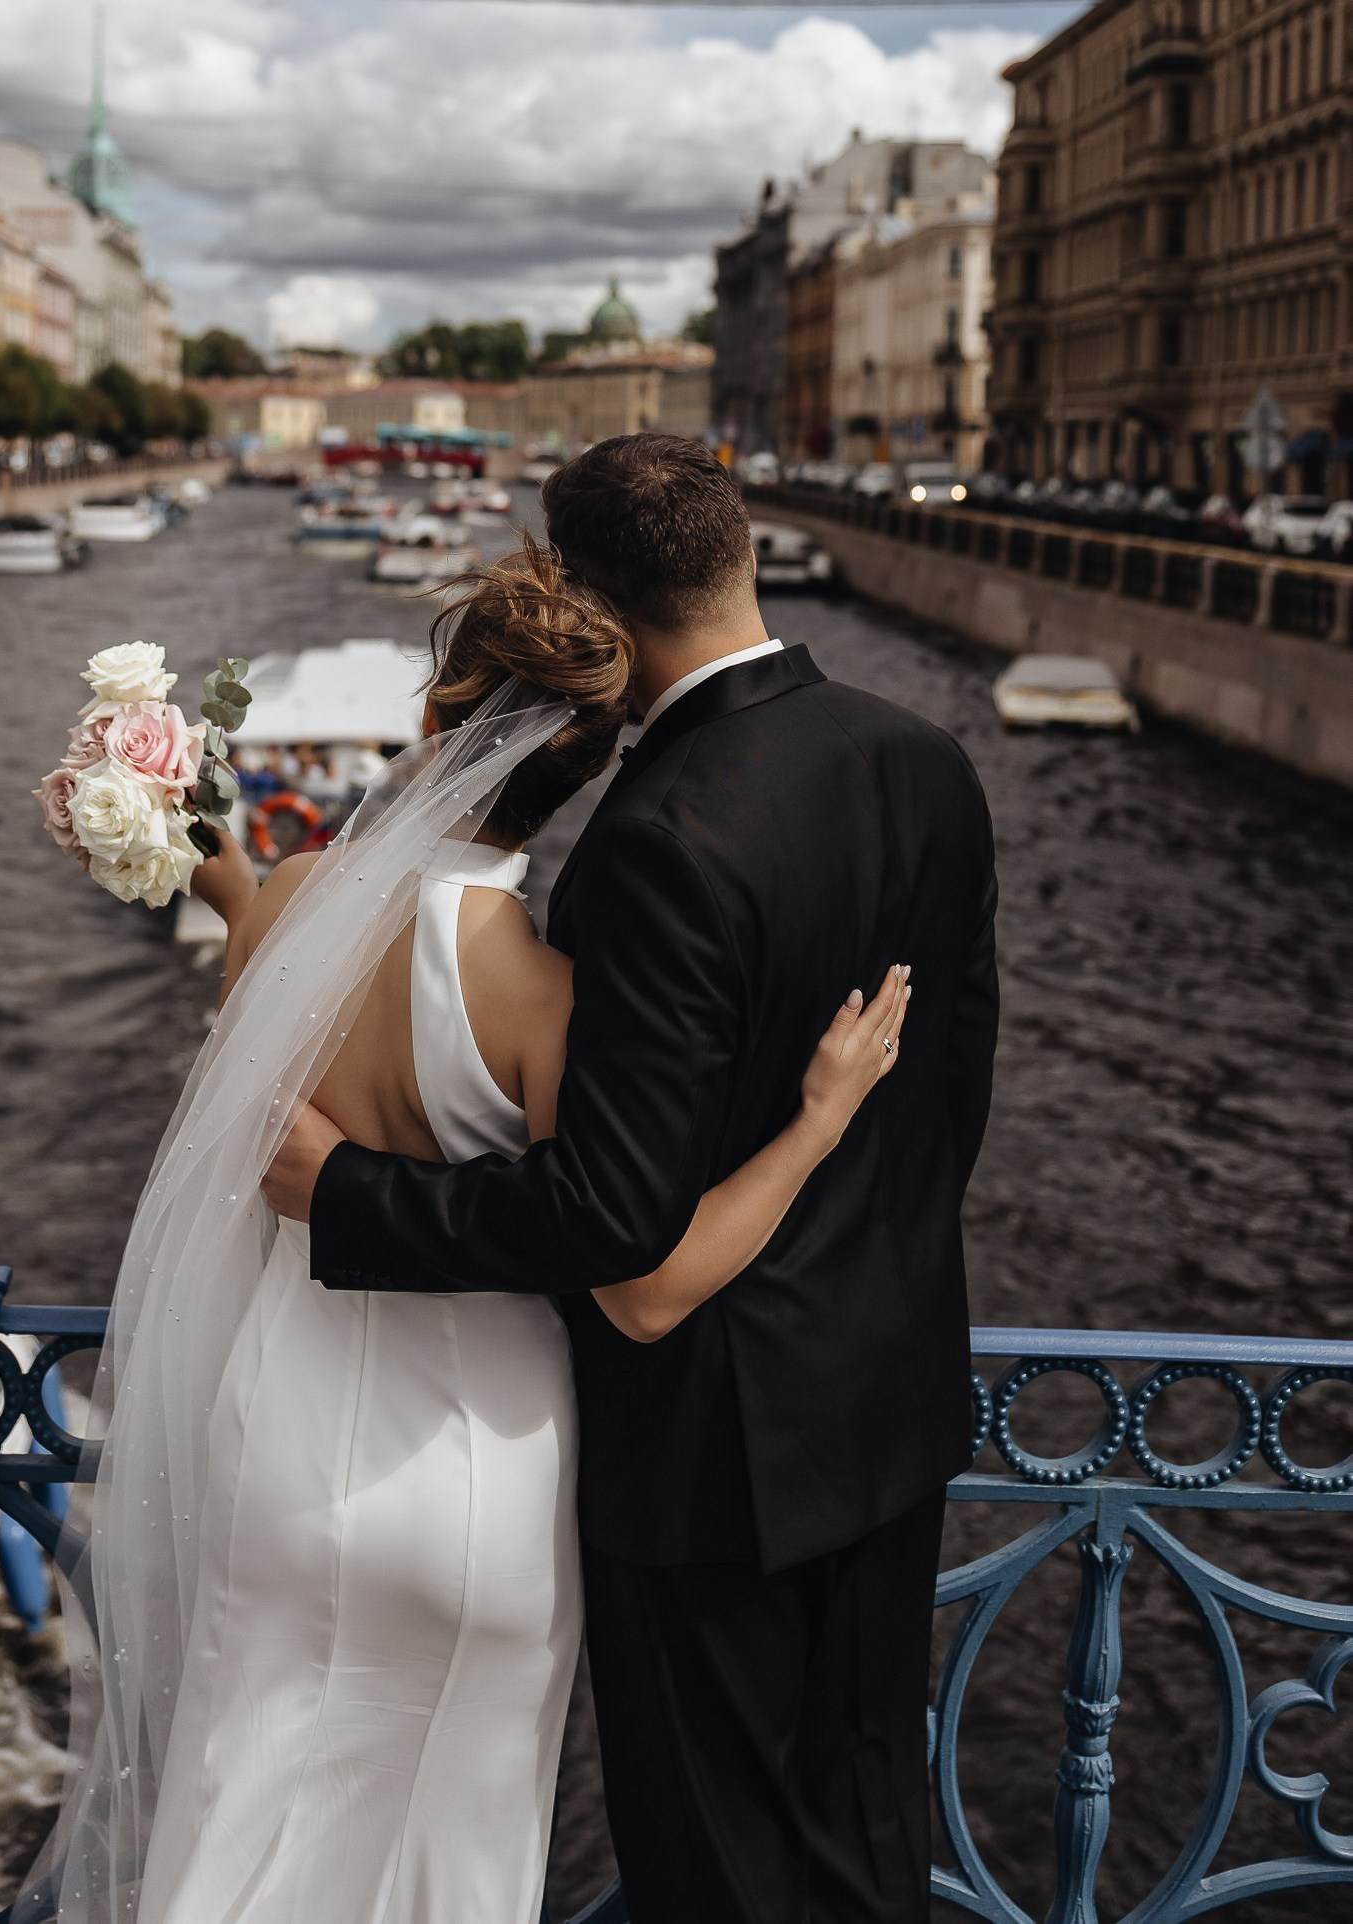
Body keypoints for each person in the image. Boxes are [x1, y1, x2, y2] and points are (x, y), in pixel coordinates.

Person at [30, 539, 910, 1924]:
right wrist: (814, 1122)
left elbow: (251, 952)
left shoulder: (293, 910)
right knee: (453, 1859)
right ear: (584, 771)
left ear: (437, 719)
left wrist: (183, 836)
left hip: (278, 1452)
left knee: (241, 1807)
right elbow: (644, 1292)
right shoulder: (548, 1000)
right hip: (475, 1484)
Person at [266, 434, 1000, 1924]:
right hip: (894, 1399)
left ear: (593, 598)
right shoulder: (924, 760)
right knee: (861, 1832)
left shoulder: (656, 838)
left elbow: (606, 1214)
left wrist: (341, 1193)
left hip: (712, 1456)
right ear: (733, 549)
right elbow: (949, 1103)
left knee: (716, 1863)